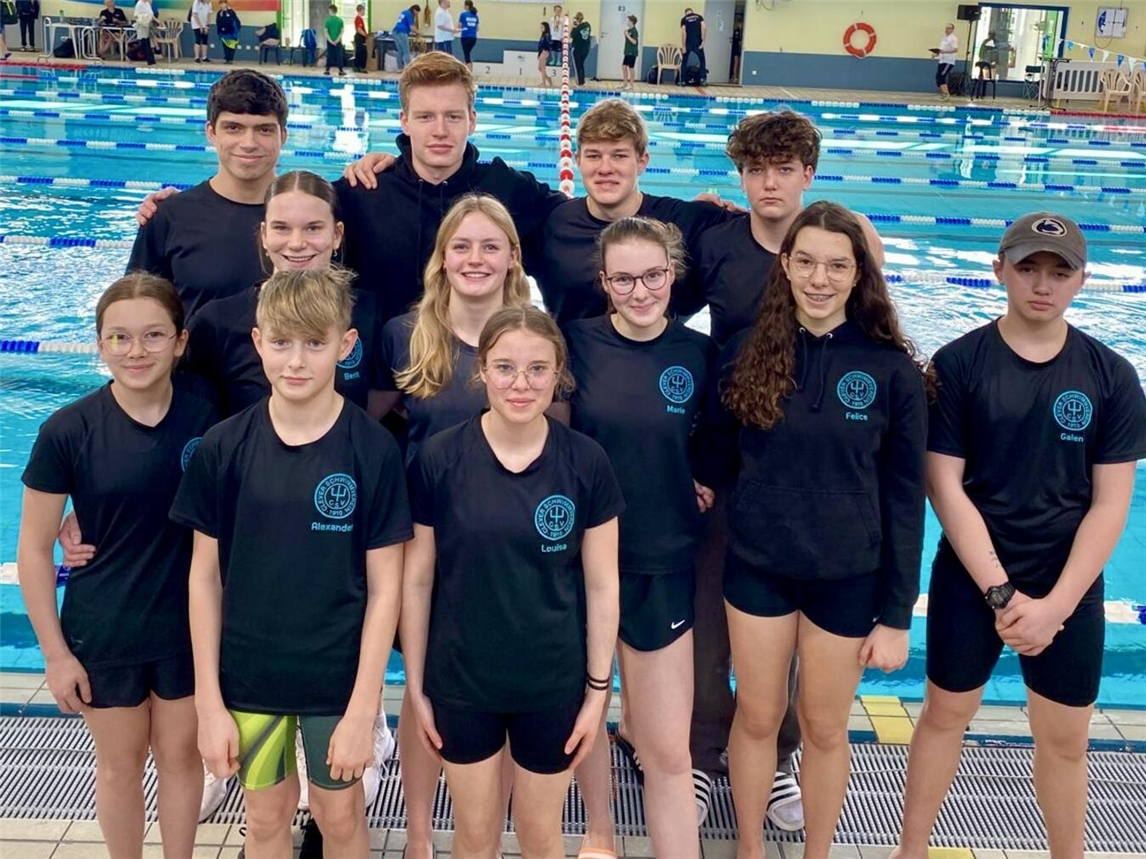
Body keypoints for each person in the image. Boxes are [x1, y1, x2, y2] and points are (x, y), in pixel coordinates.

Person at [891, 213, 1146, 859]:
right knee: (945, 716)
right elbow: (943, 486)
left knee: (1065, 739)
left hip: (1069, 584)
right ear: (999, 269)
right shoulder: (960, 364)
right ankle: (910, 849)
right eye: (1028, 267)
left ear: (1082, 280)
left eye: (1059, 271)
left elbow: (1112, 504)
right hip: (974, 577)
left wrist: (1057, 604)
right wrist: (1002, 594)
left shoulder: (1111, 375)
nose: (1042, 284)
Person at [695, 201, 929, 859]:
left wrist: (896, 613)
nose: (818, 277)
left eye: (835, 264)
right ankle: (746, 845)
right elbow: (716, 454)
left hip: (848, 578)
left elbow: (906, 497)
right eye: (805, 261)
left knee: (825, 728)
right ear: (785, 266)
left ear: (859, 275)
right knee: (758, 715)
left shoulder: (893, 371)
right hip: (760, 567)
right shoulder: (745, 352)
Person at [690, 109, 887, 833]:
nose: (769, 183)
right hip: (730, 465)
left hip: (811, 474)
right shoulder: (716, 242)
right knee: (714, 624)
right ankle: (704, 757)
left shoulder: (847, 243)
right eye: (755, 170)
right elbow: (647, 302)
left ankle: (777, 761)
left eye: (783, 169)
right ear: (740, 176)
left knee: (800, 641)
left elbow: (876, 342)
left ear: (808, 174)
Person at [172, 268, 412, 859]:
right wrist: (208, 702)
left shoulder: (372, 450)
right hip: (249, 675)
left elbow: (387, 589)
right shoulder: (225, 447)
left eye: (314, 343)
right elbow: (204, 577)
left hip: (338, 679)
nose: (296, 361)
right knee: (264, 816)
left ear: (346, 345)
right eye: (281, 343)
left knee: (340, 815)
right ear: (257, 342)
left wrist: (364, 707)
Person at [402, 304, 623, 859]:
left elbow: (601, 585)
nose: (520, 384)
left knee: (540, 836)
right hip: (461, 682)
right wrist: (415, 684)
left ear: (558, 375)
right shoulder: (439, 458)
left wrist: (598, 693)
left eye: (537, 370)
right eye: (504, 368)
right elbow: (418, 579)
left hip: (552, 684)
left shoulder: (586, 462)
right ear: (481, 371)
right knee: (474, 838)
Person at [19, 273, 217, 859]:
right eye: (120, 337)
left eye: (154, 335)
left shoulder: (208, 419)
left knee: (183, 761)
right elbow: (33, 550)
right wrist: (55, 654)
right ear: (99, 344)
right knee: (119, 767)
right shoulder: (69, 431)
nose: (137, 351)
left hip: (186, 631)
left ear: (180, 342)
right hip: (105, 631)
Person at [374, 194, 531, 859]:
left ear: (511, 258)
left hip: (505, 553)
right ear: (442, 257)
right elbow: (371, 434)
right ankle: (417, 834)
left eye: (489, 245)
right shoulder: (405, 335)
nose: (474, 258)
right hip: (425, 548)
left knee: (495, 694)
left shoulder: (531, 339)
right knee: (423, 693)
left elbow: (559, 448)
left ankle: (483, 838)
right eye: (461, 245)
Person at [563, 217, 716, 859]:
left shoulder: (697, 353)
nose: (641, 290)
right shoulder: (573, 344)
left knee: (667, 747)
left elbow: (714, 439)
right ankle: (599, 835)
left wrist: (701, 472)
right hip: (577, 563)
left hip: (663, 561)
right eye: (623, 278)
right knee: (586, 721)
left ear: (672, 275)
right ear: (604, 282)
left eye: (653, 275)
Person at [337, 51, 567, 331]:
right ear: (404, 122)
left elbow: (583, 226)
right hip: (385, 369)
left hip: (480, 366)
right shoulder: (364, 193)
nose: (440, 131)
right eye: (425, 117)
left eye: (453, 117)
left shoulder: (507, 188)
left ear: (472, 120)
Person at [533, 98, 734, 326]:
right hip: (572, 359)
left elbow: (761, 237)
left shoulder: (685, 221)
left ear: (642, 162)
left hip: (657, 360)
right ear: (577, 160)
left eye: (619, 155)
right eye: (593, 155)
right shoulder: (551, 223)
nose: (605, 168)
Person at [128, 70, 288, 318]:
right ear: (211, 133)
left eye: (264, 130)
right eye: (233, 128)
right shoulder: (170, 217)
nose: (248, 143)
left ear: (283, 136)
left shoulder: (315, 216)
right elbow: (136, 315)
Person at [679, 6, 706, 86]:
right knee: (702, 60)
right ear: (692, 12)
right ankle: (702, 79)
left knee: (684, 61)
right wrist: (703, 41)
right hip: (698, 42)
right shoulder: (699, 17)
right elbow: (704, 28)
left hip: (688, 43)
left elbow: (684, 33)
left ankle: (683, 81)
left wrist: (683, 46)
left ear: (686, 13)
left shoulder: (684, 19)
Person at [932, 22, 958, 100]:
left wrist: (945, 52)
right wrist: (936, 54)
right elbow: (941, 50)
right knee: (938, 77)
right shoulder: (944, 38)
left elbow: (955, 49)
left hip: (948, 61)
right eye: (946, 28)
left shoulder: (953, 38)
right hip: (942, 60)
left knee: (941, 77)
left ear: (953, 29)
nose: (947, 30)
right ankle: (944, 94)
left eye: (949, 28)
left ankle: (946, 94)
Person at [970, 30, 998, 101]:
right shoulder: (985, 42)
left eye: (992, 34)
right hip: (986, 62)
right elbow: (981, 52)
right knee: (983, 78)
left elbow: (996, 53)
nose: (991, 36)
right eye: (991, 34)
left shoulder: (995, 43)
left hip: (991, 62)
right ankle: (981, 93)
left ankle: (983, 93)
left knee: (988, 78)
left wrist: (995, 61)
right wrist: (981, 59)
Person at [391, 3, 419, 69]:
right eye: (417, 12)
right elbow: (412, 27)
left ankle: (399, 68)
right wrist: (419, 33)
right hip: (402, 32)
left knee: (400, 51)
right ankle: (410, 69)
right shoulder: (410, 14)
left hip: (395, 32)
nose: (417, 14)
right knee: (406, 51)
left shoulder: (404, 12)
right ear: (414, 10)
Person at [131, 0, 156, 65]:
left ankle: (151, 60)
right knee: (144, 41)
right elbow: (136, 15)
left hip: (147, 24)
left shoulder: (147, 4)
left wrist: (157, 21)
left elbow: (151, 14)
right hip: (142, 24)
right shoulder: (139, 4)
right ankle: (131, 54)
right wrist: (143, 18)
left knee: (147, 41)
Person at [325, 4, 346, 76]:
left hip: (330, 41)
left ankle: (327, 70)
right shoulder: (340, 21)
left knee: (329, 55)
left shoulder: (327, 20)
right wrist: (337, 40)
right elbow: (342, 31)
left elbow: (326, 32)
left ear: (330, 11)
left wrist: (330, 40)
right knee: (339, 56)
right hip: (338, 41)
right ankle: (341, 70)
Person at [570, 11, 590, 86]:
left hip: (577, 49)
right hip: (586, 49)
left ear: (576, 19)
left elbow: (571, 35)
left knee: (577, 66)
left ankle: (579, 82)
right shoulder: (587, 25)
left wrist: (573, 26)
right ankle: (582, 81)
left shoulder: (576, 29)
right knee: (581, 65)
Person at [457, 0, 477, 70]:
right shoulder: (475, 15)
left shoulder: (463, 14)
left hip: (465, 37)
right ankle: (467, 69)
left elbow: (459, 26)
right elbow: (477, 28)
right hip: (474, 38)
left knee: (466, 55)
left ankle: (468, 71)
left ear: (466, 6)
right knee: (467, 54)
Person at [621, 14, 638, 90]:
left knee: (631, 68)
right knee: (624, 67)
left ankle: (631, 84)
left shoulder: (634, 31)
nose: (627, 22)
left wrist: (627, 36)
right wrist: (626, 34)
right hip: (627, 52)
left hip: (632, 52)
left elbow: (634, 42)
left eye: (628, 21)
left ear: (632, 22)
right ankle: (625, 83)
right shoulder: (628, 30)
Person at [537, 21, 553, 87]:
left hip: (545, 52)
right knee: (540, 68)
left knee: (542, 68)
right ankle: (548, 79)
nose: (541, 28)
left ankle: (544, 83)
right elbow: (540, 45)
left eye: (542, 27)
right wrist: (539, 53)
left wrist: (546, 51)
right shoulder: (543, 35)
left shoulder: (547, 35)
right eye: (540, 27)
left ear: (546, 27)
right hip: (542, 52)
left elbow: (549, 44)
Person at [353, 3, 367, 72]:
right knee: (361, 52)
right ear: (361, 10)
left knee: (362, 52)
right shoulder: (358, 19)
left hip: (360, 37)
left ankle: (359, 67)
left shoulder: (360, 19)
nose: (365, 12)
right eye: (364, 10)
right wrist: (365, 35)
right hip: (359, 37)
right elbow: (359, 29)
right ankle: (359, 67)